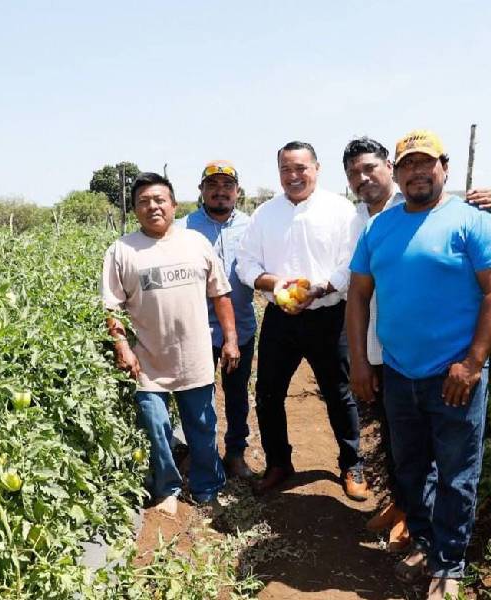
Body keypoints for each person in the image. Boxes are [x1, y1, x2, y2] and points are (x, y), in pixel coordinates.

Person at [347, 130, 491, 600]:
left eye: (426, 163)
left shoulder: (471, 222)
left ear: (444, 167)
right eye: (408, 165)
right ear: (397, 174)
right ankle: (424, 540)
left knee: (458, 472)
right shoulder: (380, 227)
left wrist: (472, 362)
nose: (417, 172)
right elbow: (359, 295)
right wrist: (360, 361)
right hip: (400, 372)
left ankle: (450, 565)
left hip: (455, 375)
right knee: (410, 465)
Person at [101, 172, 240, 516]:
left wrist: (231, 339)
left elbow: (220, 294)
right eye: (144, 202)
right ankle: (167, 489)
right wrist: (122, 346)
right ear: (134, 210)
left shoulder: (195, 243)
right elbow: (110, 306)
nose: (153, 207)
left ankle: (208, 487)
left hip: (194, 357)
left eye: (159, 200)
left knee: (203, 426)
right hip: (148, 360)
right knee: (157, 426)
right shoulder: (122, 250)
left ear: (174, 205)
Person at [236, 141, 368, 500]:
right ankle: (279, 463)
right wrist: (275, 285)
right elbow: (245, 263)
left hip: (329, 316)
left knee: (339, 392)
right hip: (281, 319)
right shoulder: (265, 214)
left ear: (317, 168)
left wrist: (323, 287)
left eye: (300, 168)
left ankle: (351, 463)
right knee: (268, 393)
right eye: (285, 169)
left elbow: (352, 262)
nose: (293, 176)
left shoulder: (341, 211)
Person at [179, 160, 257, 479]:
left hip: (240, 327)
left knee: (237, 393)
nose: (220, 192)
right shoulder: (183, 229)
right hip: (196, 329)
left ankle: (236, 454)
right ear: (201, 191)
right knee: (198, 394)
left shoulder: (252, 227)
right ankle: (203, 455)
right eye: (213, 186)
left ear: (237, 192)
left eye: (227, 186)